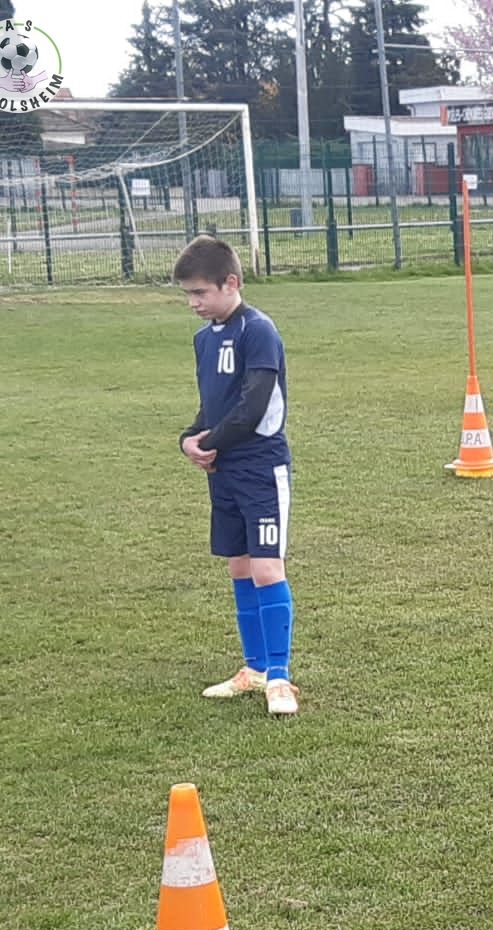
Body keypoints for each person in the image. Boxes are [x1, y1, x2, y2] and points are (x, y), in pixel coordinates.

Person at [174, 235, 299, 718]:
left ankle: (280, 678)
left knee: (267, 568)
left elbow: (253, 406)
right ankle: (255, 668)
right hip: (223, 468)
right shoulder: (204, 340)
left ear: (231, 283)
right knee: (239, 567)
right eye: (188, 294)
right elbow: (213, 405)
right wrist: (189, 438)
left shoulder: (258, 331)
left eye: (200, 293)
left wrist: (211, 443)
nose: (193, 303)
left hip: (260, 467)